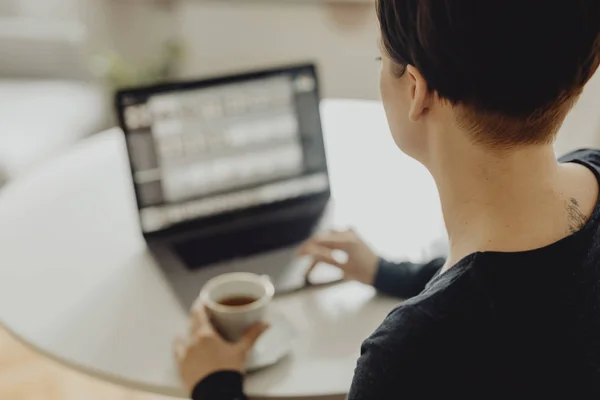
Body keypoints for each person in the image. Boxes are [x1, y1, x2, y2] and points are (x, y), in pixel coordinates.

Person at [174, 0, 600, 398]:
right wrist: (386, 273)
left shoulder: (411, 358)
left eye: (382, 58)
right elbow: (529, 284)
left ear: (417, 90)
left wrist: (215, 384)